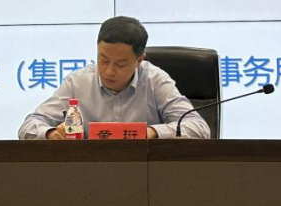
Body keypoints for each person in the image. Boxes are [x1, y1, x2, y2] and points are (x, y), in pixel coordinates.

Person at [18, 16, 212, 140]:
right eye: (103, 60)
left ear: (139, 60)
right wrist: (51, 134)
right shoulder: (78, 83)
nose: (109, 71)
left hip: (147, 175)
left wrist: (151, 132)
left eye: (120, 64)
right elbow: (29, 126)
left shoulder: (155, 81)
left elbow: (199, 128)